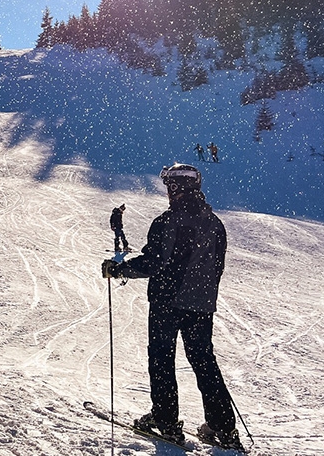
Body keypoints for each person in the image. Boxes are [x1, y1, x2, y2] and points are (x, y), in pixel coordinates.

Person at [101, 164, 241, 450]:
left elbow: (154, 262)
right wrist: (201, 295)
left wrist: (119, 270)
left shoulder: (168, 221)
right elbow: (217, 268)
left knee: (162, 359)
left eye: (169, 187)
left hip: (168, 302)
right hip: (201, 305)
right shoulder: (215, 224)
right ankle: (223, 427)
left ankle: (166, 421)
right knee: (204, 362)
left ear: (176, 189)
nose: (167, 192)